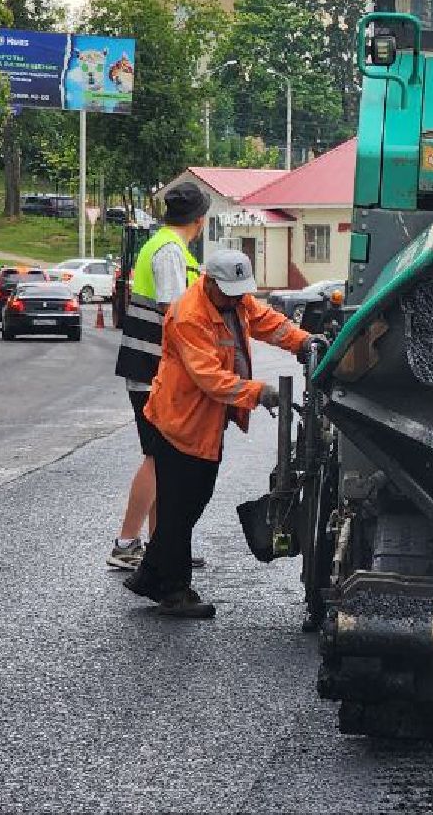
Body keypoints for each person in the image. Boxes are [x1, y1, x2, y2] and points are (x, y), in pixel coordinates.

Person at [124, 249, 314, 618]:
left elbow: (269, 322)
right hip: (180, 420)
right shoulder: (189, 315)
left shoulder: (234, 299)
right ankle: (174, 591)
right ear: (208, 282)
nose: (235, 299)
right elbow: (209, 378)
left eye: (239, 293)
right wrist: (259, 392)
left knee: (191, 501)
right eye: (228, 293)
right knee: (180, 507)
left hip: (204, 420)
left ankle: (149, 574)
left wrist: (303, 341)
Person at [106, 182, 207, 571]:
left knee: (163, 459)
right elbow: (175, 314)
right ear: (200, 220)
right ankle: (126, 544)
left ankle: (161, 545)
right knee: (157, 457)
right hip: (153, 369)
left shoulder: (165, 245)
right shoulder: (169, 251)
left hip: (152, 367)